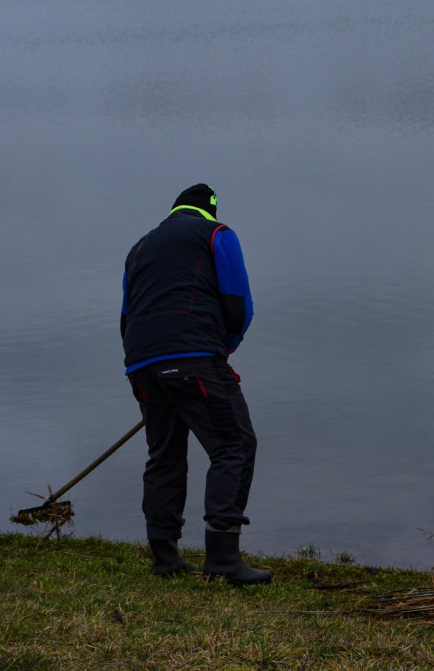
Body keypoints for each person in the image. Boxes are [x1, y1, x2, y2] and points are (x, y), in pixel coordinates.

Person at [121, 183, 271, 585]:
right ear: (212, 209)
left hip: (141, 362)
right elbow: (239, 305)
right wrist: (224, 348)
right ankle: (222, 556)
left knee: (164, 454)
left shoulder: (139, 248)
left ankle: (164, 556)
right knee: (234, 445)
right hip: (195, 358)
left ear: (175, 211)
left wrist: (147, 364)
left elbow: (126, 312)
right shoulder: (218, 234)